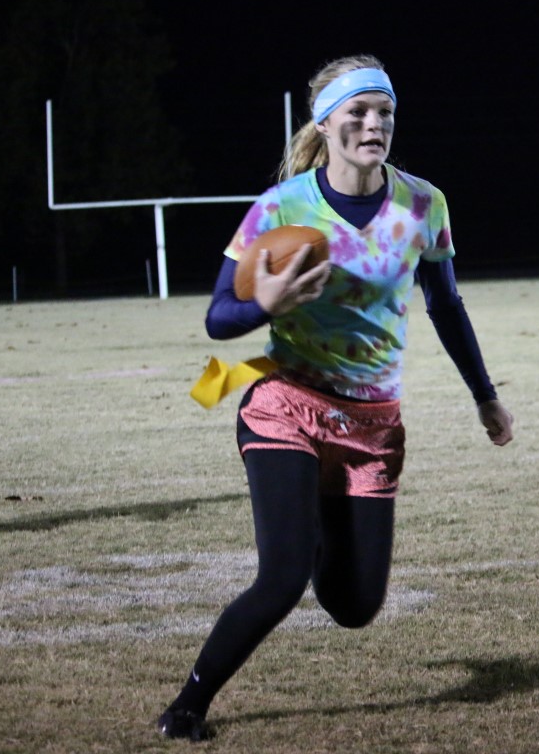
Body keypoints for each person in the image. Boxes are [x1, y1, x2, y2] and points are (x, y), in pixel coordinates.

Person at [157, 55, 514, 741]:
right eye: (358, 112)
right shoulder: (281, 208)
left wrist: (485, 395)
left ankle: (316, 522)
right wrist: (265, 302)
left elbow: (445, 305)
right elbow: (218, 320)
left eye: (385, 113)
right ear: (324, 124)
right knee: (282, 577)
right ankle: (187, 707)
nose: (374, 124)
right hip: (285, 404)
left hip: (372, 427)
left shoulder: (424, 204)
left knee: (355, 606)